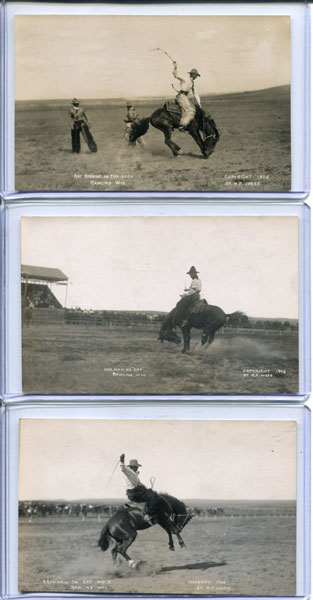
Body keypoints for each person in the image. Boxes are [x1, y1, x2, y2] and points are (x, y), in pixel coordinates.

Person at [119, 454, 152, 521]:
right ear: (132, 467)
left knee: (149, 495)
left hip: (134, 491)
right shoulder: (129, 472)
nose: (137, 468)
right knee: (150, 498)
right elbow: (123, 469)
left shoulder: (135, 475)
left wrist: (147, 489)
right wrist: (122, 461)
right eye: (136, 467)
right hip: (133, 492)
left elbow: (140, 483)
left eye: (137, 467)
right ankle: (147, 515)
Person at [172, 62, 202, 131]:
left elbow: (195, 94)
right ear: (193, 75)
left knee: (193, 108)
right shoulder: (185, 79)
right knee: (191, 110)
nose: (196, 77)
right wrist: (175, 67)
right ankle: (182, 125)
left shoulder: (192, 83)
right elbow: (176, 75)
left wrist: (199, 103)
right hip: (181, 96)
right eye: (196, 75)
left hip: (185, 97)